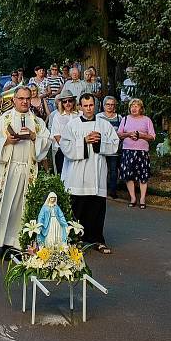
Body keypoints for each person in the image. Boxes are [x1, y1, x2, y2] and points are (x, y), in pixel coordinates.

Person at [0, 86, 52, 252]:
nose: (24, 101)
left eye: (27, 98)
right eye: (21, 98)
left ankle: (17, 243)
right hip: (7, 170)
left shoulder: (37, 122)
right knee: (5, 206)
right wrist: (7, 141)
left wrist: (34, 136)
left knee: (23, 208)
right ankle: (1, 243)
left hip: (28, 170)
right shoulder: (4, 119)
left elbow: (47, 141)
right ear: (14, 100)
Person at [60, 93, 119, 254]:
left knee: (97, 208)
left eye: (91, 105)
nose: (88, 108)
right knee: (77, 208)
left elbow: (114, 144)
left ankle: (97, 239)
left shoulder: (104, 125)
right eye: (85, 106)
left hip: (96, 173)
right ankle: (75, 240)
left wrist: (100, 141)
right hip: (78, 174)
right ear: (80, 107)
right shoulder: (72, 125)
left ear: (95, 106)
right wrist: (84, 141)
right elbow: (65, 146)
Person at [117, 98, 156, 209]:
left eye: (136, 106)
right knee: (128, 174)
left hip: (142, 151)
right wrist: (129, 134)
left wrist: (140, 135)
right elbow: (119, 134)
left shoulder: (146, 120)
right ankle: (133, 197)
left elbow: (152, 136)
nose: (134, 108)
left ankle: (142, 198)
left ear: (141, 108)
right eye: (132, 106)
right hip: (128, 150)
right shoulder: (125, 119)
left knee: (143, 175)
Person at [97, 96, 123, 198]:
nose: (110, 107)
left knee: (113, 170)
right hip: (101, 148)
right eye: (108, 104)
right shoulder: (98, 116)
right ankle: (100, 189)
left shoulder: (119, 117)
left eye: (112, 104)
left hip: (114, 148)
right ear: (103, 106)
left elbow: (121, 132)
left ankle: (113, 190)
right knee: (101, 169)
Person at [48, 90, 78, 175]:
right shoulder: (57, 116)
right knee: (62, 175)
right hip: (62, 149)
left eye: (70, 101)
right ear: (62, 103)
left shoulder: (79, 114)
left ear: (74, 101)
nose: (67, 103)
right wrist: (67, 148)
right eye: (65, 101)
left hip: (78, 148)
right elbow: (57, 135)